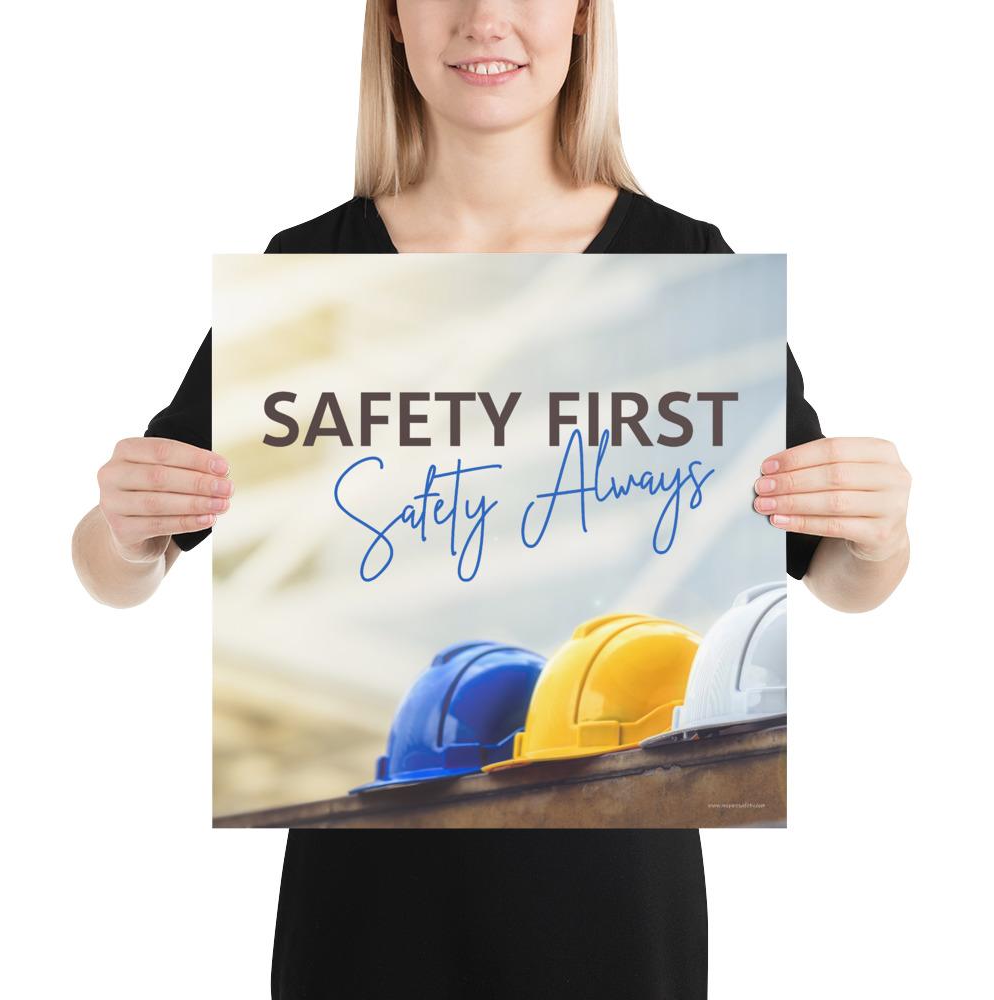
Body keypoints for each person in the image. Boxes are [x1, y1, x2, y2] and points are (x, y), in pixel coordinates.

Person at [71, 1, 912, 996]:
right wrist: (125, 532)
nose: (485, 19)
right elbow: (116, 568)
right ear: (391, 21)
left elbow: (836, 576)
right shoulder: (306, 274)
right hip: (365, 914)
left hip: (611, 912)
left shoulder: (689, 266)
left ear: (584, 19)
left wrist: (876, 532)